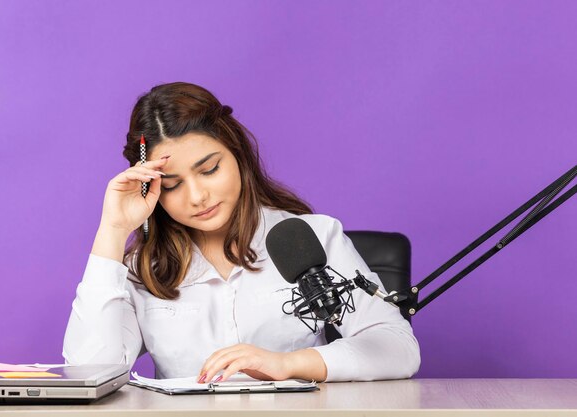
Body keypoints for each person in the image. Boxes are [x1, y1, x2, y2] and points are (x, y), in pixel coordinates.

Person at [63, 82, 421, 383]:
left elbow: (397, 347)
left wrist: (287, 364)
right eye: (171, 186)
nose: (197, 197)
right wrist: (112, 229)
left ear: (238, 155)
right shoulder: (145, 266)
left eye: (210, 169)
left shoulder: (311, 237)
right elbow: (88, 372)